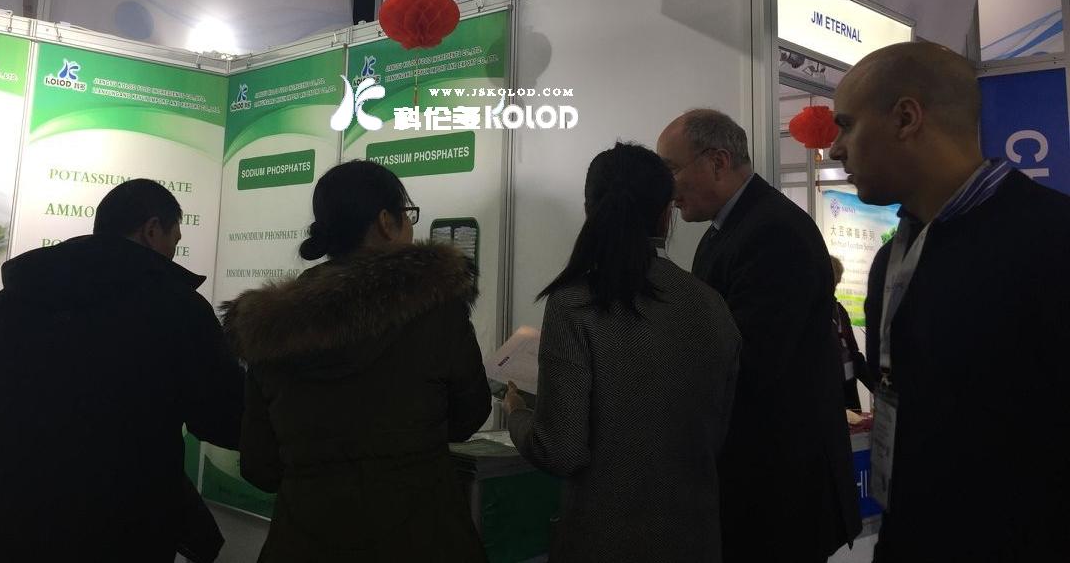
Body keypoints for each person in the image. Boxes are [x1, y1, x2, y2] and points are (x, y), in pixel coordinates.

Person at [830, 42, 1070, 562]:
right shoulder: (891, 261)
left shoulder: (1052, 241)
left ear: (906, 118)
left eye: (846, 125)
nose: (834, 149)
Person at [0, 179, 244, 563]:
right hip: (123, 536)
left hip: (2, 537)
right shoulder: (179, 310)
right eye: (174, 240)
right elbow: (224, 417)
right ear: (152, 230)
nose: (173, 252)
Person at [224, 160, 490, 563]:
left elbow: (260, 466)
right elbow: (469, 415)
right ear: (385, 222)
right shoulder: (436, 309)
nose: (410, 226)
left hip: (305, 542)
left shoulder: (270, 328)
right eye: (407, 214)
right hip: (423, 536)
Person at [503, 142, 741, 563]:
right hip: (696, 538)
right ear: (666, 213)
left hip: (602, 540)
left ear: (589, 209)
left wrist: (518, 414)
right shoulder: (710, 303)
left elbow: (561, 449)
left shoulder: (575, 303)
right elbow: (719, 430)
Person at [656, 110, 860, 563]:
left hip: (779, 492)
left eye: (671, 170)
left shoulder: (773, 231)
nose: (667, 189)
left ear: (717, 162)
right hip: (758, 485)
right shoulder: (728, 231)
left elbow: (748, 362)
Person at [830, 257, 875, 411]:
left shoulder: (840, 311)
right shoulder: (815, 314)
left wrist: (876, 387)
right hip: (829, 393)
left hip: (848, 390)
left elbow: (854, 354)